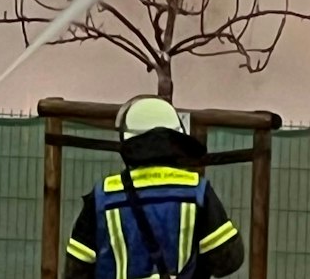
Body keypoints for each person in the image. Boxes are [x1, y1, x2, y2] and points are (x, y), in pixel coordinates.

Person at [64, 95, 244, 279]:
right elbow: (227, 261)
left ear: (126, 142)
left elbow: (75, 271)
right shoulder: (196, 191)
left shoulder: (103, 195)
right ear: (175, 139)